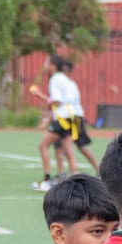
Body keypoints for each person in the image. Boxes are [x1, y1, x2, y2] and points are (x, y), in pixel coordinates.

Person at [34, 55, 81, 191]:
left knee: (43, 146)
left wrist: (39, 95)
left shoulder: (55, 79)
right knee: (68, 149)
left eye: (46, 62)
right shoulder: (66, 79)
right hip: (72, 116)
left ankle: (47, 179)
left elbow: (57, 101)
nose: (44, 65)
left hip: (63, 118)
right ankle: (76, 179)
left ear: (52, 65)